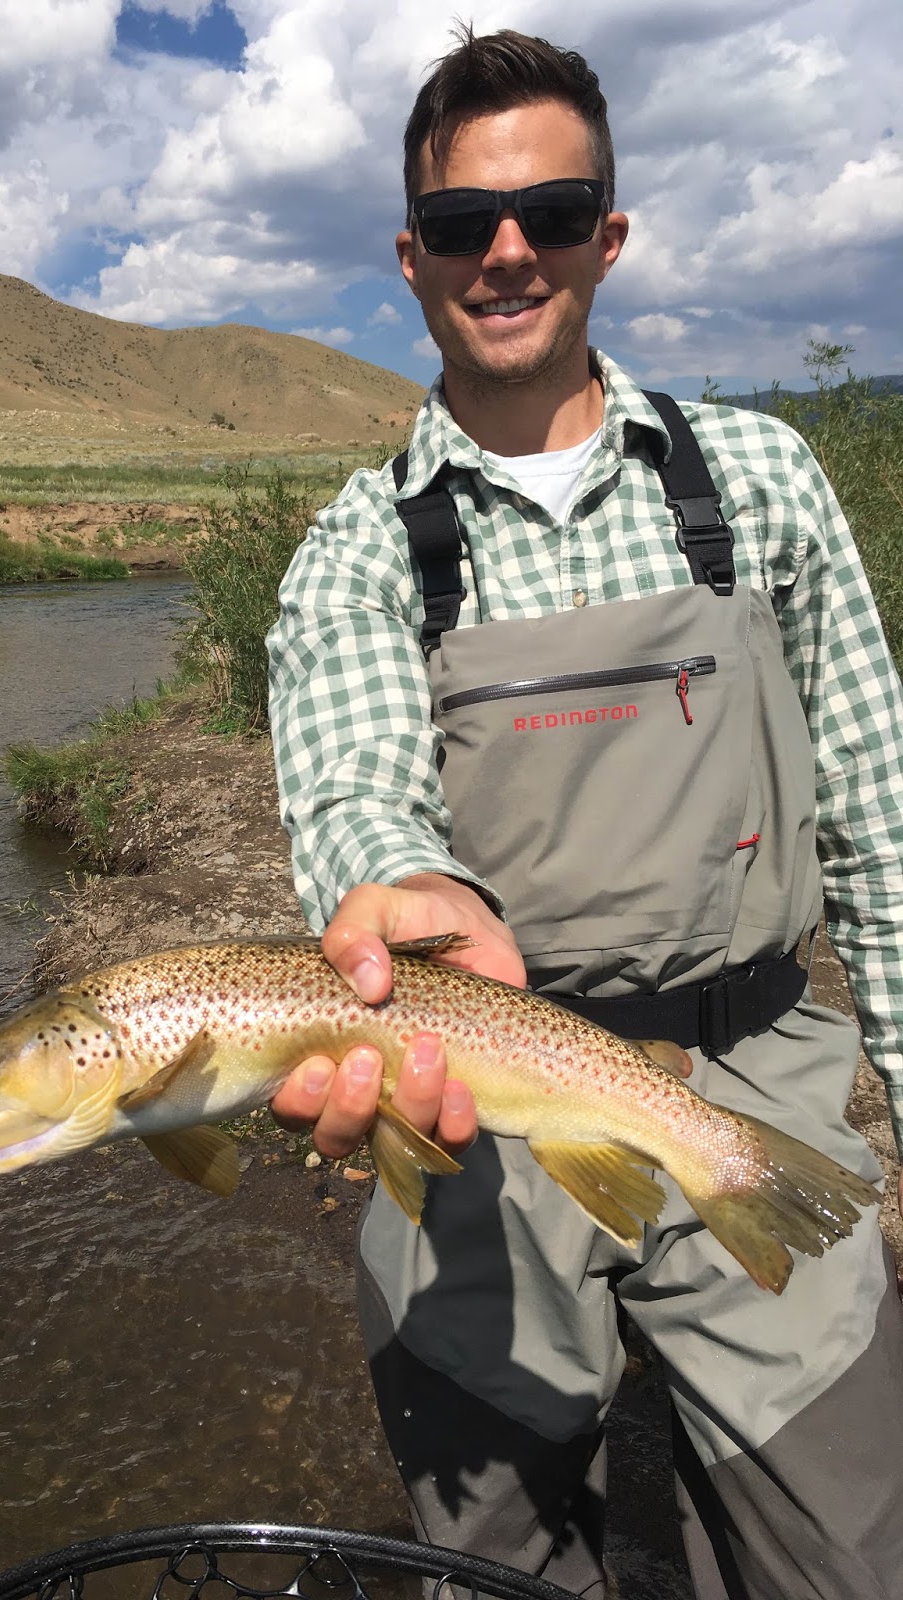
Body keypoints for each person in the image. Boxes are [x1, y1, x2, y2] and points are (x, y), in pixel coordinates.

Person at [264, 25, 903, 1600]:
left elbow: (883, 823)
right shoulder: (357, 551)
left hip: (752, 1072)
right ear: (407, 257)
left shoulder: (758, 481)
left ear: (605, 238)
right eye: (466, 224)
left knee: (851, 1554)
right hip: (471, 1102)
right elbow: (356, 791)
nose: (508, 252)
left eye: (551, 215)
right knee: (493, 1560)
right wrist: (403, 885)